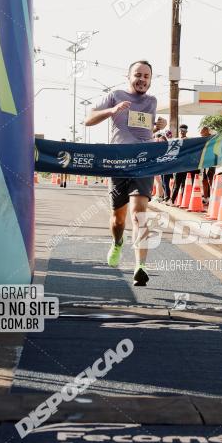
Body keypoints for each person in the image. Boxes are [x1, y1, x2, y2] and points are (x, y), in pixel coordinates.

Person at [85, 60, 157, 286]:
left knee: (139, 214)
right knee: (118, 219)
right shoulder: (115, 95)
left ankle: (140, 266)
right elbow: (88, 119)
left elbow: (142, 130)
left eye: (146, 76)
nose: (142, 80)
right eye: (138, 75)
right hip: (117, 163)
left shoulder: (152, 102)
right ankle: (117, 243)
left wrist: (157, 126)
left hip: (143, 163)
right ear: (128, 76)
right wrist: (111, 110)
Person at [169, 123, 190, 204]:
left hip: (185, 165)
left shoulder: (188, 140)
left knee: (184, 184)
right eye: (181, 130)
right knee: (176, 184)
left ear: (186, 131)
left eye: (184, 130)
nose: (182, 132)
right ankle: (172, 200)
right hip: (178, 165)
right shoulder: (176, 140)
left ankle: (184, 202)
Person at [199, 125, 215, 204]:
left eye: (202, 132)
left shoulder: (212, 138)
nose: (201, 133)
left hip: (211, 163)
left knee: (210, 180)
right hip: (204, 163)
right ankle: (205, 198)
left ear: (206, 131)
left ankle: (213, 197)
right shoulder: (202, 140)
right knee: (204, 180)